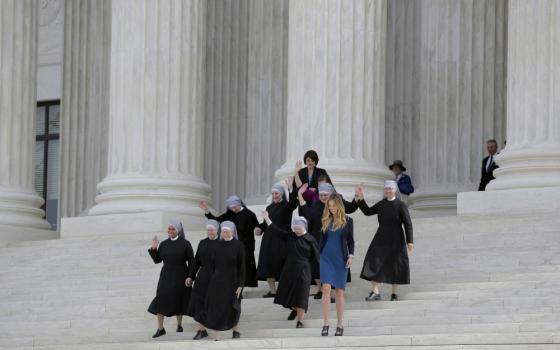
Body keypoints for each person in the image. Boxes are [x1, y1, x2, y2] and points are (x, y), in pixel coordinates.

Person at [298, 182, 359, 299]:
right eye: (321, 195)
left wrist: (356, 196)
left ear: (331, 194)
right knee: (321, 268)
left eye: (325, 195)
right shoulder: (316, 203)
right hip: (320, 240)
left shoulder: (338, 202)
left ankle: (334, 293)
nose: (323, 197)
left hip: (336, 241)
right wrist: (300, 195)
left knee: (336, 268)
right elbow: (307, 213)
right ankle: (324, 290)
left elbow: (350, 208)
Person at [356, 180, 413, 302]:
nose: (388, 191)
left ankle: (394, 294)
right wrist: (361, 198)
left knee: (396, 265)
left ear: (395, 190)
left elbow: (408, 224)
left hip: (396, 239)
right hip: (381, 237)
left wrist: (410, 241)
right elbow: (367, 211)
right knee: (373, 261)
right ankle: (375, 292)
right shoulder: (381, 204)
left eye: (390, 188)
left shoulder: (401, 205)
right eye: (386, 188)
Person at [262, 213, 320, 328]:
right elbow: (276, 231)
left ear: (304, 227)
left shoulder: (310, 239)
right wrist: (267, 218)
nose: (296, 231)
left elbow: (317, 257)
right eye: (295, 228)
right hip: (289, 270)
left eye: (298, 228)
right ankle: (295, 309)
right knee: (286, 294)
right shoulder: (290, 236)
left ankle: (300, 321)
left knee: (302, 295)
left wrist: (321, 274)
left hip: (304, 270)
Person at [194, 221, 245, 340]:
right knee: (217, 306)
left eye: (227, 231)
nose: (225, 233)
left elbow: (242, 267)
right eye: (223, 231)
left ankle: (236, 331)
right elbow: (213, 264)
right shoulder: (218, 245)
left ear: (232, 231)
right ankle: (217, 335)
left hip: (233, 280)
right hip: (217, 280)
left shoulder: (239, 245)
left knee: (233, 305)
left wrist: (241, 284)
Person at [147, 219, 194, 338]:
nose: (170, 231)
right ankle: (160, 328)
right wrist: (154, 248)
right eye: (169, 229)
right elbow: (157, 260)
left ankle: (179, 325)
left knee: (179, 299)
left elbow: (192, 262)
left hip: (181, 275)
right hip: (166, 276)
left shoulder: (185, 243)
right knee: (161, 299)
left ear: (178, 230)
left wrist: (190, 277)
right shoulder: (164, 244)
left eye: (173, 229)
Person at [199, 196, 259, 288]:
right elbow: (217, 221)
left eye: (235, 207)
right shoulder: (229, 214)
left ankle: (247, 285)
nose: (233, 209)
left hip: (247, 245)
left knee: (246, 265)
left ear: (239, 204)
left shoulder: (250, 214)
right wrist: (207, 211)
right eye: (231, 207)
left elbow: (257, 226)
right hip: (233, 244)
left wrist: (258, 229)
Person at [255, 179, 298, 297]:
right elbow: (265, 223)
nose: (275, 196)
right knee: (268, 264)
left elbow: (295, 202)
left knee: (282, 266)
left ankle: (284, 290)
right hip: (268, 240)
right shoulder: (269, 208)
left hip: (281, 239)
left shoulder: (287, 206)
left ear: (282, 194)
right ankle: (273, 291)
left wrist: (291, 188)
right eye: (273, 193)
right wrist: (259, 228)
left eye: (277, 193)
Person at [319, 194, 354, 337]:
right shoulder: (325, 220)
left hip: (341, 259)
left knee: (339, 292)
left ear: (339, 205)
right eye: (329, 206)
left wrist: (351, 255)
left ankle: (340, 324)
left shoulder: (348, 220)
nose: (332, 208)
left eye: (334, 205)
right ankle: (326, 323)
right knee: (326, 288)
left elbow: (351, 241)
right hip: (326, 257)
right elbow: (321, 239)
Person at [186, 219, 220, 340]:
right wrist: (191, 276)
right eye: (208, 230)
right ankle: (202, 330)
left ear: (217, 230)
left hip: (218, 276)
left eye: (212, 229)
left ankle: (216, 329)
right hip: (203, 276)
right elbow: (196, 262)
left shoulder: (222, 243)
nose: (209, 232)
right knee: (199, 302)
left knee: (215, 303)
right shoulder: (202, 242)